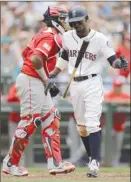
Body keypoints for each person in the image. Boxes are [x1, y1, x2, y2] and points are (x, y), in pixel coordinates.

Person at [45, 5, 128, 178]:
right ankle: (92, 157)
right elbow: (65, 56)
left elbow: (112, 59)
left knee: (92, 123)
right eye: (73, 23)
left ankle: (95, 163)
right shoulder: (67, 37)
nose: (77, 25)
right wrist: (52, 74)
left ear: (87, 19)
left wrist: (119, 64)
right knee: (81, 127)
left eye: (79, 21)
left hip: (92, 83)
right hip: (74, 84)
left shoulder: (99, 38)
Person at [2, 6, 75, 177]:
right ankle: (10, 163)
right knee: (30, 121)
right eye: (63, 19)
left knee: (52, 117)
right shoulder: (50, 36)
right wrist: (46, 79)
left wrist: (44, 77)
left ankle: (55, 162)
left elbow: (25, 53)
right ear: (55, 20)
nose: (65, 22)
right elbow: (34, 59)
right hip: (31, 80)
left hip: (34, 80)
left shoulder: (44, 33)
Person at [101, 76, 130, 166]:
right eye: (116, 86)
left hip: (120, 125)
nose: (118, 88)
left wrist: (121, 101)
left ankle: (115, 162)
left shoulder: (126, 95)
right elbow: (105, 100)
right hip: (109, 125)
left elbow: (128, 100)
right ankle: (104, 161)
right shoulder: (109, 95)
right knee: (106, 145)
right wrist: (117, 101)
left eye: (119, 86)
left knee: (117, 146)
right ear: (113, 86)